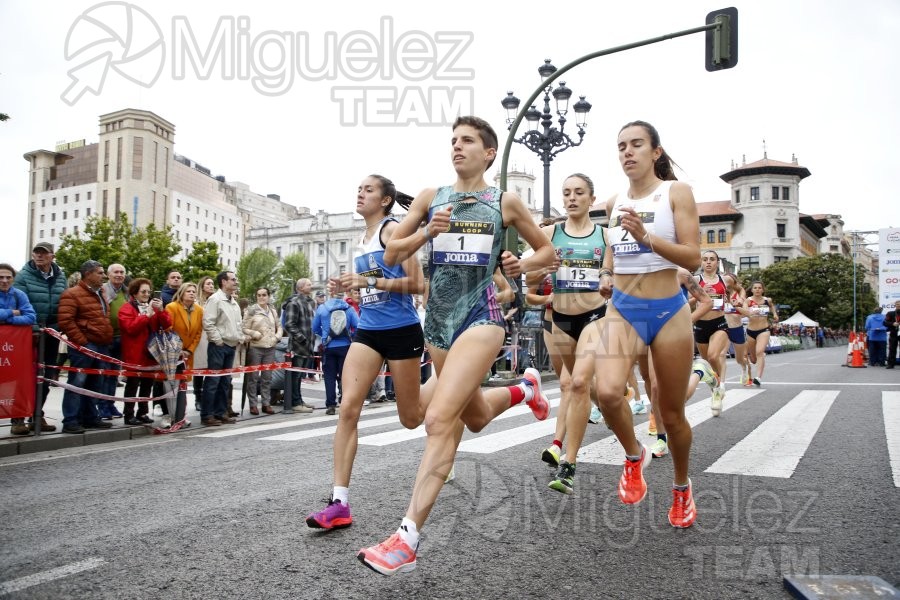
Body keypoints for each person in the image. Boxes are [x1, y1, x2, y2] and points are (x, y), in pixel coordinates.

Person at [356, 116, 554, 575]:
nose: (457, 147)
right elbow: (390, 255)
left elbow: (547, 252)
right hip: (438, 324)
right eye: (453, 141)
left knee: (440, 418)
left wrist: (520, 264)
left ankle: (406, 538)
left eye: (467, 141)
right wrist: (427, 230)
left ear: (489, 153)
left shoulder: (504, 201)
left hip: (482, 317)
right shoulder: (431, 197)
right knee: (477, 416)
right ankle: (525, 390)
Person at [569, 120, 702, 529]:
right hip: (622, 308)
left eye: (636, 145)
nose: (627, 152)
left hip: (668, 310)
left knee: (671, 413)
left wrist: (647, 237)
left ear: (655, 152)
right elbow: (613, 247)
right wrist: (607, 272)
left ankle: (681, 487)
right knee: (607, 393)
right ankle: (633, 455)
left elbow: (693, 258)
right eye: (621, 146)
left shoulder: (675, 193)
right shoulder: (613, 202)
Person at [306, 173, 426, 529]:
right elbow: (371, 291)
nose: (360, 194)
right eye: (358, 189)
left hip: (402, 331)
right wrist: (350, 286)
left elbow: (418, 283)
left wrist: (368, 281)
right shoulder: (361, 240)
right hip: (369, 332)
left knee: (411, 417)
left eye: (368, 190)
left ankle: (452, 392)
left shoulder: (394, 231)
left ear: (385, 200)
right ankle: (339, 502)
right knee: (347, 409)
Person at [527, 173, 609, 495]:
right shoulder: (549, 234)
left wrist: (608, 279)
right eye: (566, 193)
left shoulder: (606, 236)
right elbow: (528, 274)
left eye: (579, 192)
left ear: (591, 198)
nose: (572, 198)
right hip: (558, 317)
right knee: (574, 386)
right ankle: (610, 416)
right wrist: (542, 269)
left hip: (595, 314)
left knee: (577, 383)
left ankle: (568, 462)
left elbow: (617, 272)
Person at [12, 242, 66, 434]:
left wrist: (59, 328)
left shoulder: (60, 276)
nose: (39, 256)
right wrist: (34, 329)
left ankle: (37, 414)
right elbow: (20, 303)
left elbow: (64, 304)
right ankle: (17, 418)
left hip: (52, 332)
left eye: (44, 253)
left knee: (47, 376)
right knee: (23, 376)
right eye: (36, 252)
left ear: (52, 256)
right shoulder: (23, 276)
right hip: (29, 333)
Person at [56, 260, 115, 433]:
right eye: (100, 272)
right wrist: (82, 342)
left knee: (95, 383)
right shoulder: (72, 294)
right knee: (77, 383)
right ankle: (71, 420)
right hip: (84, 347)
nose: (103, 276)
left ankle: (90, 417)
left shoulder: (101, 293)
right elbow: (66, 321)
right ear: (88, 274)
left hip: (101, 345)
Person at [119, 278, 172, 425]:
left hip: (151, 352)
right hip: (134, 352)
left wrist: (161, 311)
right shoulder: (126, 308)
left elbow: (167, 324)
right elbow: (131, 328)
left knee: (147, 384)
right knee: (132, 384)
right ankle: (128, 414)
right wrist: (146, 315)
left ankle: (142, 412)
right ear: (135, 293)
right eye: (143, 292)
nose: (146, 294)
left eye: (148, 292)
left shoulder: (153, 308)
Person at [200, 271, 246, 426]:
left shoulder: (232, 301)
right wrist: (218, 340)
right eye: (232, 279)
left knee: (225, 381)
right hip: (219, 346)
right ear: (223, 282)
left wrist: (239, 338)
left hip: (231, 345)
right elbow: (208, 322)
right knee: (213, 381)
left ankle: (220, 412)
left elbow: (239, 323)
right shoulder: (215, 299)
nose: (236, 282)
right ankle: (207, 415)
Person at [1, 263, 37, 435]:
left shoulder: (19, 294)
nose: (5, 280)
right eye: (1, 277)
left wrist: (6, 319)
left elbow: (30, 317)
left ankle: (18, 420)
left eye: (8, 277)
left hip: (12, 349)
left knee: (16, 383)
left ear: (13, 278)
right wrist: (12, 313)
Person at [311, 288, 358, 417]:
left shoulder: (322, 309)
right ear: (343, 295)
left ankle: (331, 405)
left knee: (329, 377)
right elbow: (358, 326)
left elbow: (314, 328)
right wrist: (351, 335)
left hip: (329, 347)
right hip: (345, 347)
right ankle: (344, 402)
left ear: (330, 294)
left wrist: (324, 336)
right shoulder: (349, 309)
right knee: (346, 376)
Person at [693, 250, 728, 414]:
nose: (708, 262)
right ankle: (715, 391)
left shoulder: (725, 279)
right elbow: (686, 301)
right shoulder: (695, 280)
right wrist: (700, 294)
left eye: (712, 259)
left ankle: (720, 385)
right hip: (700, 325)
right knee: (708, 364)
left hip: (719, 323)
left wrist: (738, 298)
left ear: (717, 262)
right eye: (705, 259)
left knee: (714, 356)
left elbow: (739, 289)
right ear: (701, 262)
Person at [166, 281, 203, 423]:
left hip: (187, 353)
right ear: (181, 293)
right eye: (189, 291)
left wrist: (189, 350)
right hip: (173, 351)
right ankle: (169, 415)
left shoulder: (199, 310)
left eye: (194, 291)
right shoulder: (172, 307)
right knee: (171, 384)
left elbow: (198, 332)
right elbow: (169, 329)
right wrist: (178, 349)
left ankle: (181, 415)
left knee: (183, 384)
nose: (192, 293)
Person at [242, 287, 282, 415]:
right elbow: (243, 328)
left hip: (270, 347)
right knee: (253, 377)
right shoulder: (251, 310)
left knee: (267, 377)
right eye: (259, 295)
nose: (261, 297)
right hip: (255, 347)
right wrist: (254, 333)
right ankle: (253, 404)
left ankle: (266, 403)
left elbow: (279, 326)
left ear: (268, 296)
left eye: (264, 295)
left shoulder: (273, 311)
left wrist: (277, 337)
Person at [281, 278, 316, 413]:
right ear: (300, 288)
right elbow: (289, 324)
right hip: (298, 346)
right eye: (308, 284)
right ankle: (295, 402)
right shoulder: (294, 303)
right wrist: (302, 339)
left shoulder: (308, 303)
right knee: (295, 376)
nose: (311, 286)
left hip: (307, 346)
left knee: (300, 376)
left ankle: (299, 400)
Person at [98, 262, 128, 420]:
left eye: (122, 272)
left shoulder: (126, 292)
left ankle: (110, 404)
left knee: (114, 375)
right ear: (108, 275)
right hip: (106, 338)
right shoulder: (102, 290)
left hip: (121, 338)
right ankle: (102, 406)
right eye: (116, 272)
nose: (119, 275)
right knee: (105, 374)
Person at [745, 281, 779, 385]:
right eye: (755, 288)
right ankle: (755, 361)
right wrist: (750, 312)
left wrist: (775, 315)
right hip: (750, 331)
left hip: (764, 329)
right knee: (754, 359)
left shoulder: (767, 300)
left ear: (763, 290)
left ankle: (758, 378)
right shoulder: (748, 300)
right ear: (752, 290)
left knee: (760, 352)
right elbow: (744, 310)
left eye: (759, 288)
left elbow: (772, 307)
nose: (757, 290)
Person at [722, 272, 752, 387]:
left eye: (728, 280)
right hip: (723, 328)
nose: (725, 282)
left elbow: (748, 313)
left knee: (740, 359)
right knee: (721, 354)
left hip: (736, 328)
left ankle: (745, 368)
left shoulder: (739, 296)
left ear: (733, 282)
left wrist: (736, 306)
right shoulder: (719, 293)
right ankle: (720, 381)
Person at [192, 276, 216, 410]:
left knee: (210, 368)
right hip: (200, 337)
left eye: (212, 284)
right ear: (202, 286)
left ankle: (208, 398)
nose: (211, 286)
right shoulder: (197, 302)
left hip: (211, 336)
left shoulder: (215, 300)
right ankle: (198, 397)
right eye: (208, 284)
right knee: (199, 368)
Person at [885, 300, 900, 369]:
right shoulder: (890, 313)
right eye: (897, 305)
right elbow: (884, 322)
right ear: (895, 305)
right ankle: (891, 364)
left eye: (899, 305)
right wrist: (892, 323)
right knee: (892, 349)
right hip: (894, 333)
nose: (898, 306)